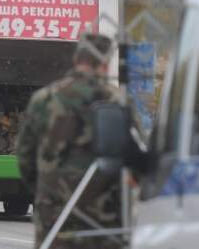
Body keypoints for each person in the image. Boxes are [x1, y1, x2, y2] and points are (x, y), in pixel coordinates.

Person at [17, 33, 134, 249]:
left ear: (76, 59)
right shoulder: (115, 102)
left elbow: (25, 158)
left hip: (54, 215)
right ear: (105, 62)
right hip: (102, 217)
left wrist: (46, 191)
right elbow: (130, 159)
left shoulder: (44, 99)